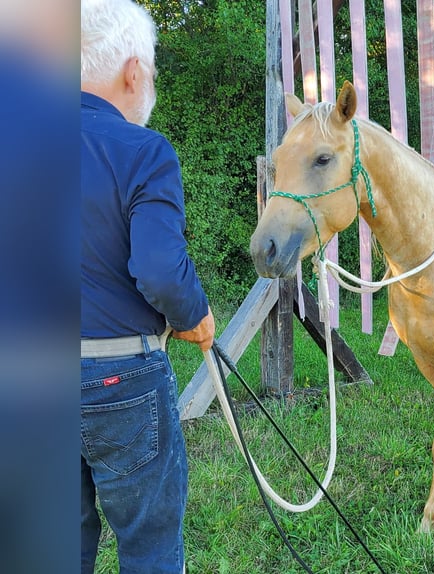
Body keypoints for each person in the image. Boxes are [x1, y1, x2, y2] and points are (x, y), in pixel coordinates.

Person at [80, 1, 215, 572]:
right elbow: (159, 270)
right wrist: (195, 315)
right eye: (152, 72)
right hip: (121, 381)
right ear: (132, 71)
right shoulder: (143, 151)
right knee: (150, 548)